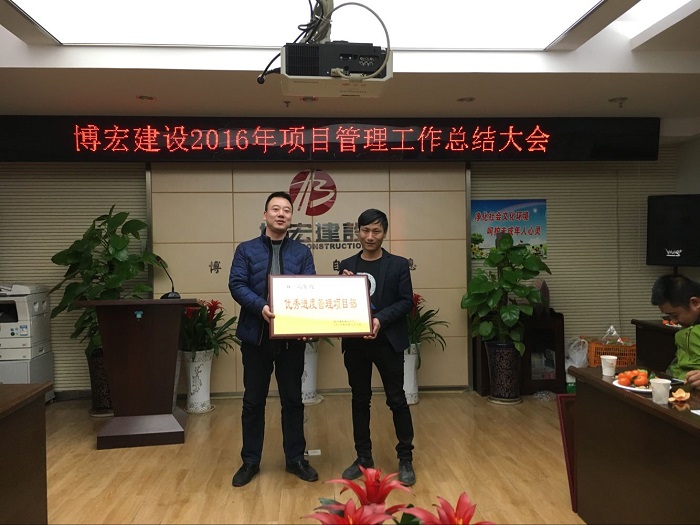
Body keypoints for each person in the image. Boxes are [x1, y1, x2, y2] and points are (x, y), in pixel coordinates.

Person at [228, 191, 318, 487]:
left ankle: (295, 459)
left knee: (293, 400)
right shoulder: (246, 250)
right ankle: (250, 461)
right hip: (256, 337)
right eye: (276, 209)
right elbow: (237, 284)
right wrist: (261, 307)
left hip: (291, 338)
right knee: (253, 402)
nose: (281, 214)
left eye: (287, 210)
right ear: (265, 214)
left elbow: (310, 289)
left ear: (291, 217)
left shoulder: (302, 253)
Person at [337, 208, 417, 486]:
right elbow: (340, 303)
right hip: (356, 345)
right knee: (360, 400)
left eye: (376, 231)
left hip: (388, 343)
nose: (370, 236)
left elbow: (406, 301)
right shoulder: (346, 264)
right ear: (357, 232)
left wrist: (380, 320)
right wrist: (341, 286)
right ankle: (363, 457)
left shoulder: (398, 264)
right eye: (365, 230)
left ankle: (405, 457)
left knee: (397, 399)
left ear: (384, 233)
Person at [650, 274, 700, 389]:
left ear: (695, 303)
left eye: (675, 315)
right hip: (679, 383)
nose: (674, 321)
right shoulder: (688, 326)